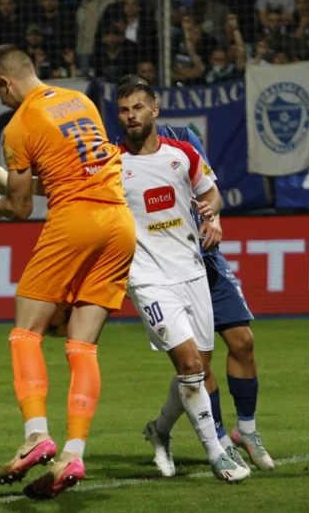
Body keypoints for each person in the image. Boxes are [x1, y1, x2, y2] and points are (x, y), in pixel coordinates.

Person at [0, 46, 135, 499]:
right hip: (119, 223)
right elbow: (71, 172)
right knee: (82, 345)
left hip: (74, 221)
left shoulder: (19, 125)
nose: (1, 100)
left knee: (26, 333)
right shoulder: (81, 101)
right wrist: (10, 178)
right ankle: (74, 453)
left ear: (5, 82)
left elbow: (20, 209)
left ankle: (37, 435)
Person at [116, 76, 274, 471]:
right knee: (193, 367)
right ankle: (218, 445)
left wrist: (212, 215)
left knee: (239, 343)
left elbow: (209, 191)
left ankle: (235, 430)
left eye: (138, 107)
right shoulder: (112, 160)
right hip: (152, 274)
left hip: (201, 262)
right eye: (124, 110)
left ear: (155, 108)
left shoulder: (183, 144)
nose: (131, 116)